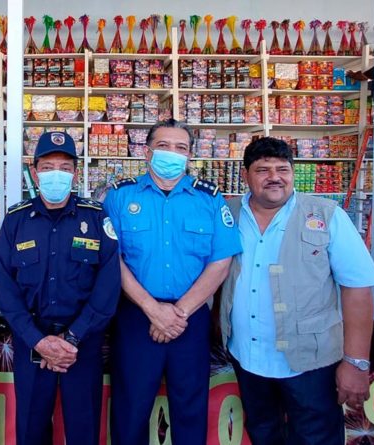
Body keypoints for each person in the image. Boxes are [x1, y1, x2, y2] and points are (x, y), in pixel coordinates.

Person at [219, 137, 374, 445]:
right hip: (248, 358)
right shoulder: (229, 213)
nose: (274, 177)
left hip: (310, 363)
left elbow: (357, 288)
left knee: (315, 437)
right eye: (262, 170)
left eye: (283, 169)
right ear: (245, 175)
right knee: (264, 434)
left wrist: (356, 361)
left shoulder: (326, 215)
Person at [103, 119, 242, 445]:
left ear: (190, 155)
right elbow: (113, 259)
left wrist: (178, 312)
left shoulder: (208, 199)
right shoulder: (121, 196)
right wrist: (152, 309)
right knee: (130, 410)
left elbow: (221, 261)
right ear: (147, 151)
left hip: (189, 320)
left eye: (181, 148)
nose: (172, 153)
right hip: (136, 316)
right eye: (164, 146)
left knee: (190, 410)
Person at [0, 131, 121, 444]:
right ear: (35, 172)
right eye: (48, 166)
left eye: (65, 168)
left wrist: (72, 338)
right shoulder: (15, 219)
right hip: (31, 341)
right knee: (31, 428)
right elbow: (6, 289)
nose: (57, 174)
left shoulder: (96, 217)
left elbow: (107, 286)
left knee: (83, 428)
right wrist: (38, 341)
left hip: (83, 343)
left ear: (76, 174)